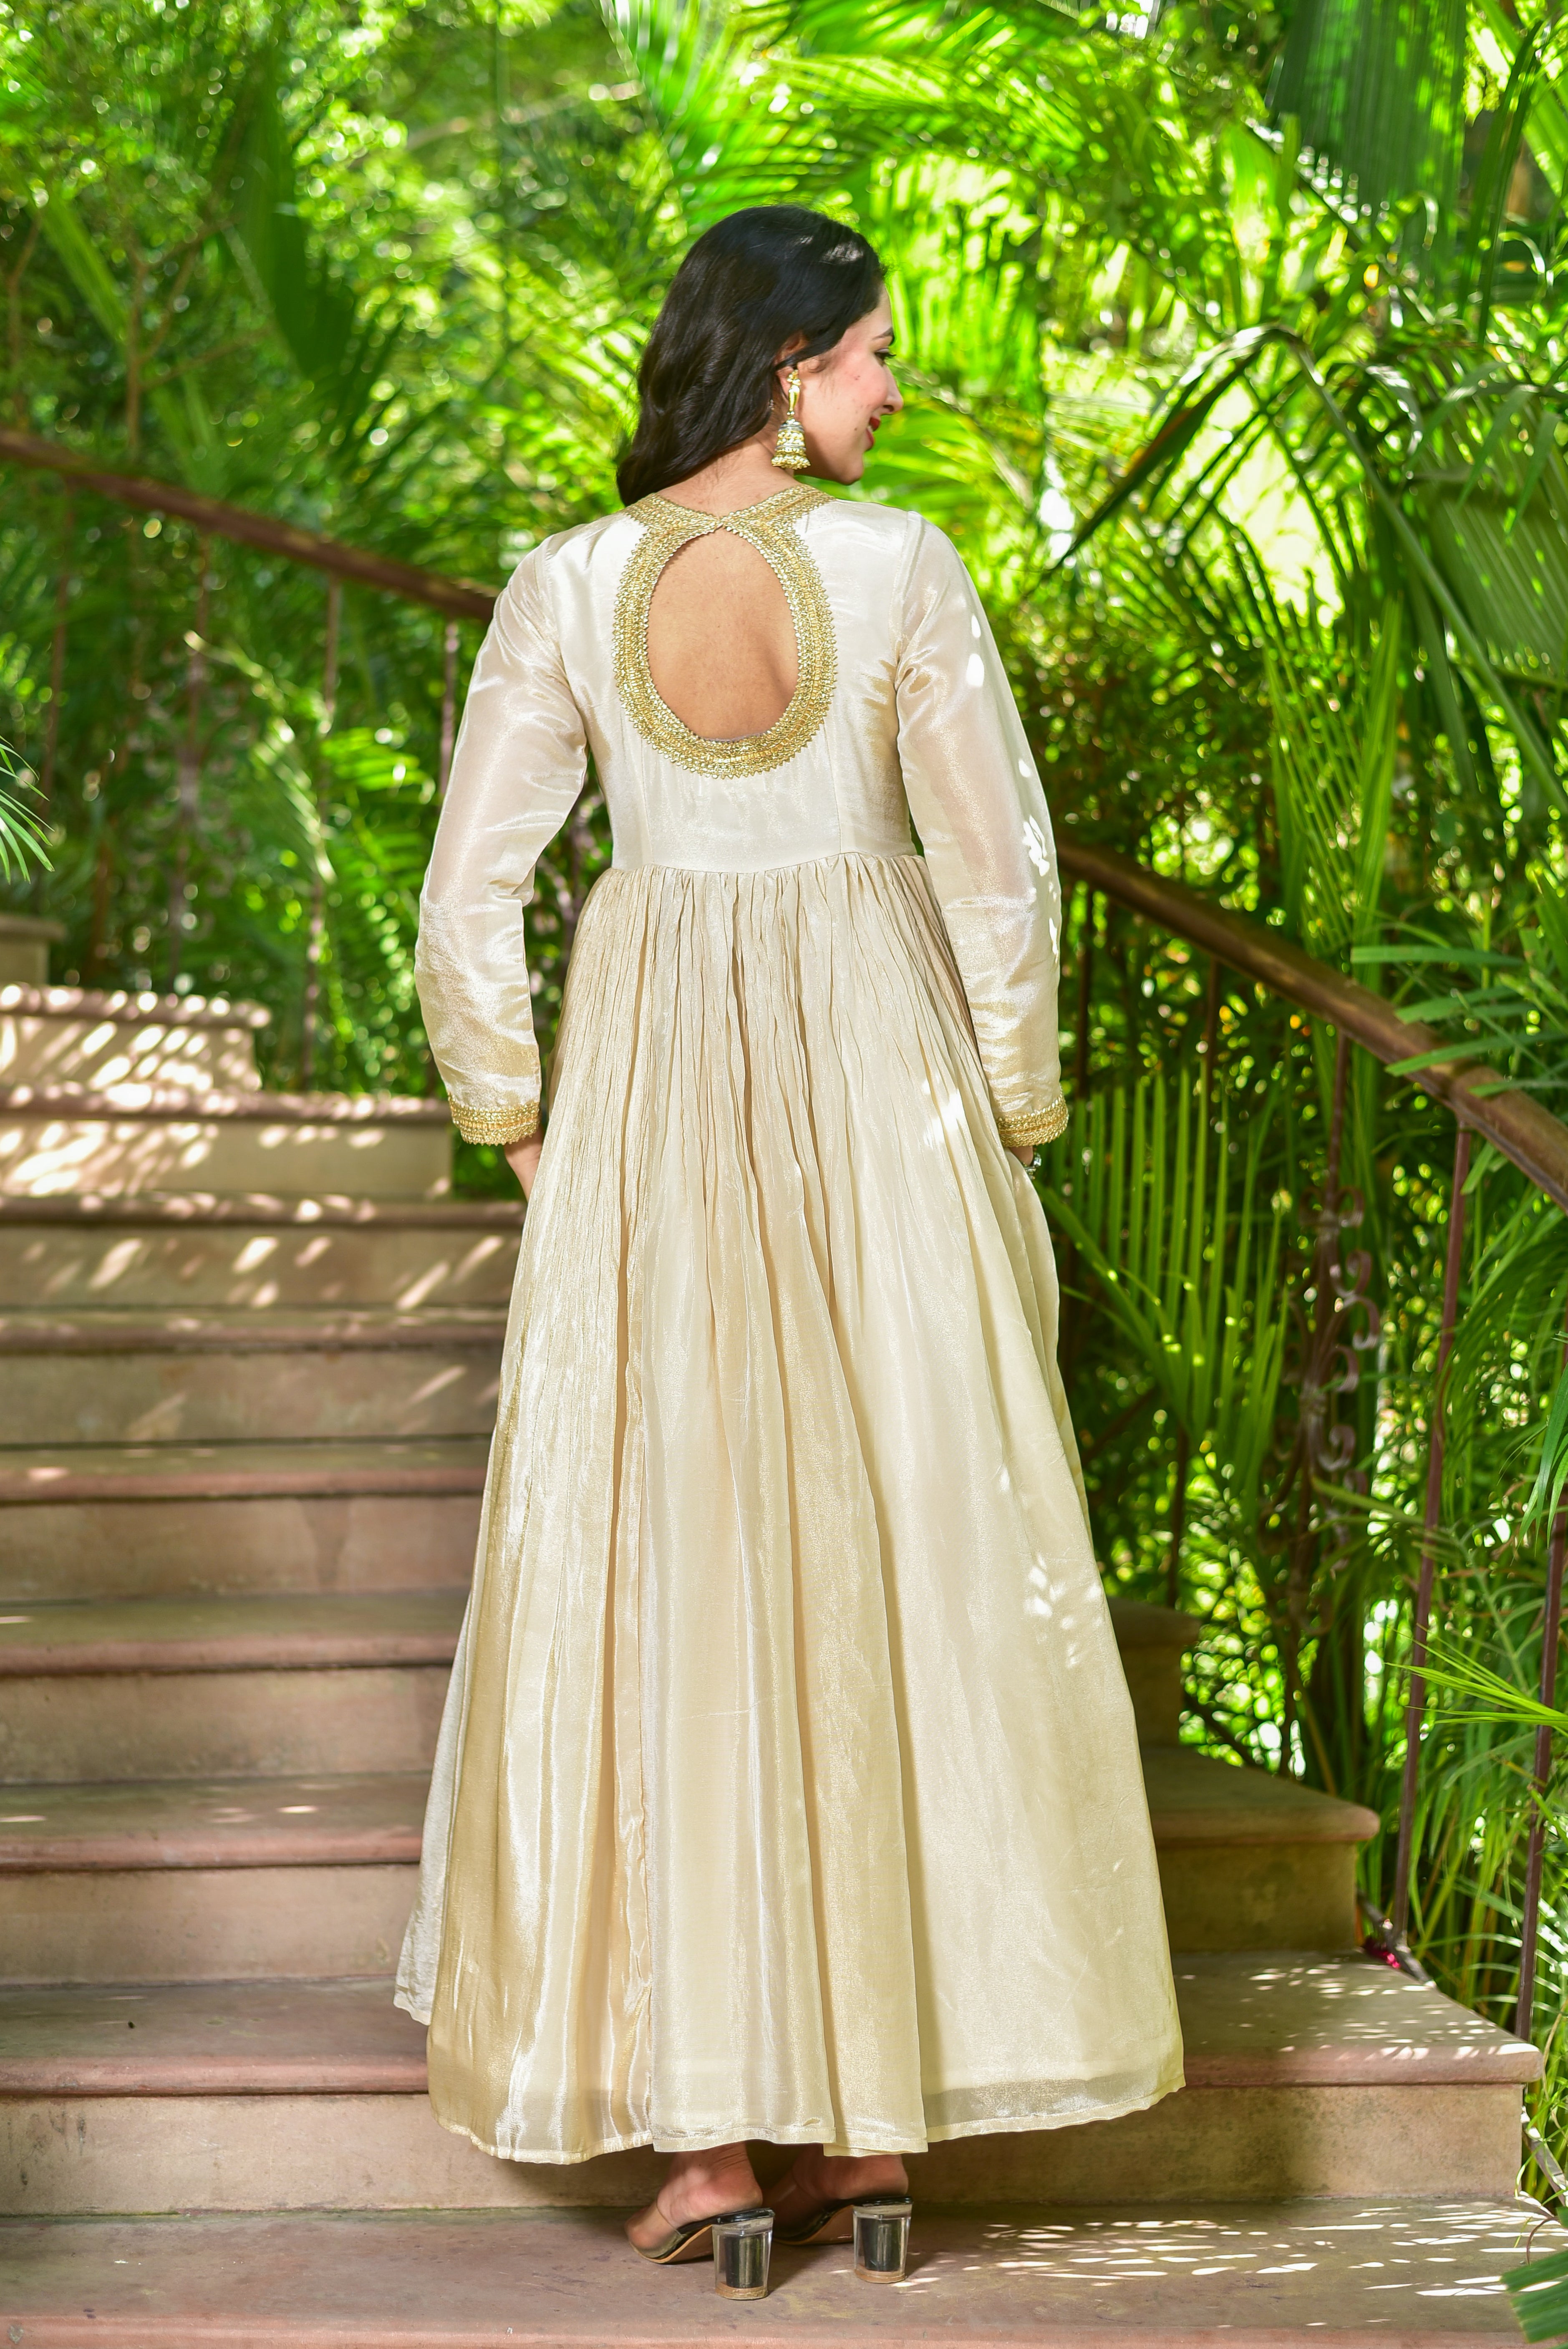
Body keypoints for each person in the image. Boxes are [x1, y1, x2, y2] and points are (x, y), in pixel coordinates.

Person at [396, 203, 1183, 2281]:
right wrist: (1010, 1117)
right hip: (880, 1109)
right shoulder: (901, 571)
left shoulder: (567, 589)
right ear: (787, 364)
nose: (892, 391)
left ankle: (710, 2153)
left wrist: (524, 1127)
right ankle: (871, 2132)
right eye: (871, 359)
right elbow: (998, 881)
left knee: (676, 1587)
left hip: (651, 1115)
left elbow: (469, 895)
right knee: (896, 1558)